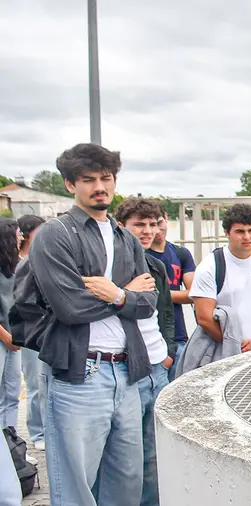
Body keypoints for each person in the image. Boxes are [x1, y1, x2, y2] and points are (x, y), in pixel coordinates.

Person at [28, 142, 158, 506]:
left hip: (127, 373)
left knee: (126, 482)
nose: (99, 186)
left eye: (106, 178)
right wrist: (126, 295)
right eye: (88, 180)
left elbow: (148, 302)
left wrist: (115, 294)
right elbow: (69, 306)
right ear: (70, 185)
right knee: (76, 486)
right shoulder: (56, 235)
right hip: (79, 375)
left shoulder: (126, 238)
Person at [114, 197, 177, 506]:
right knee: (124, 458)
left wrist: (168, 350)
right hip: (127, 369)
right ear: (121, 226)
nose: (148, 230)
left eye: (153, 224)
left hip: (158, 367)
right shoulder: (111, 263)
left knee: (154, 452)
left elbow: (165, 311)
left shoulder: (157, 265)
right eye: (139, 224)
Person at [189, 203, 251, 350]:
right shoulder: (210, 267)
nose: (247, 237)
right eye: (240, 231)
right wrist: (233, 344)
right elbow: (204, 317)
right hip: (222, 352)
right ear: (227, 233)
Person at [148, 211, 195, 381]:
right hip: (149, 340)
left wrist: (157, 293)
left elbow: (194, 293)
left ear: (166, 218)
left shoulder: (180, 253)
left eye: (158, 222)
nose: (156, 229)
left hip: (178, 336)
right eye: (149, 225)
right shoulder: (140, 256)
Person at [15, 215, 45, 450]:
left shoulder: (44, 258)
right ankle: (37, 432)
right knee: (33, 382)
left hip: (45, 330)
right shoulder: (17, 261)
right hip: (27, 332)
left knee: (43, 381)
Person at [0, 219, 21, 431]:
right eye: (17, 234)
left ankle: (12, 447)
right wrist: (6, 336)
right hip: (4, 338)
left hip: (13, 340)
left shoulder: (14, 267)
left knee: (12, 396)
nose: (21, 238)